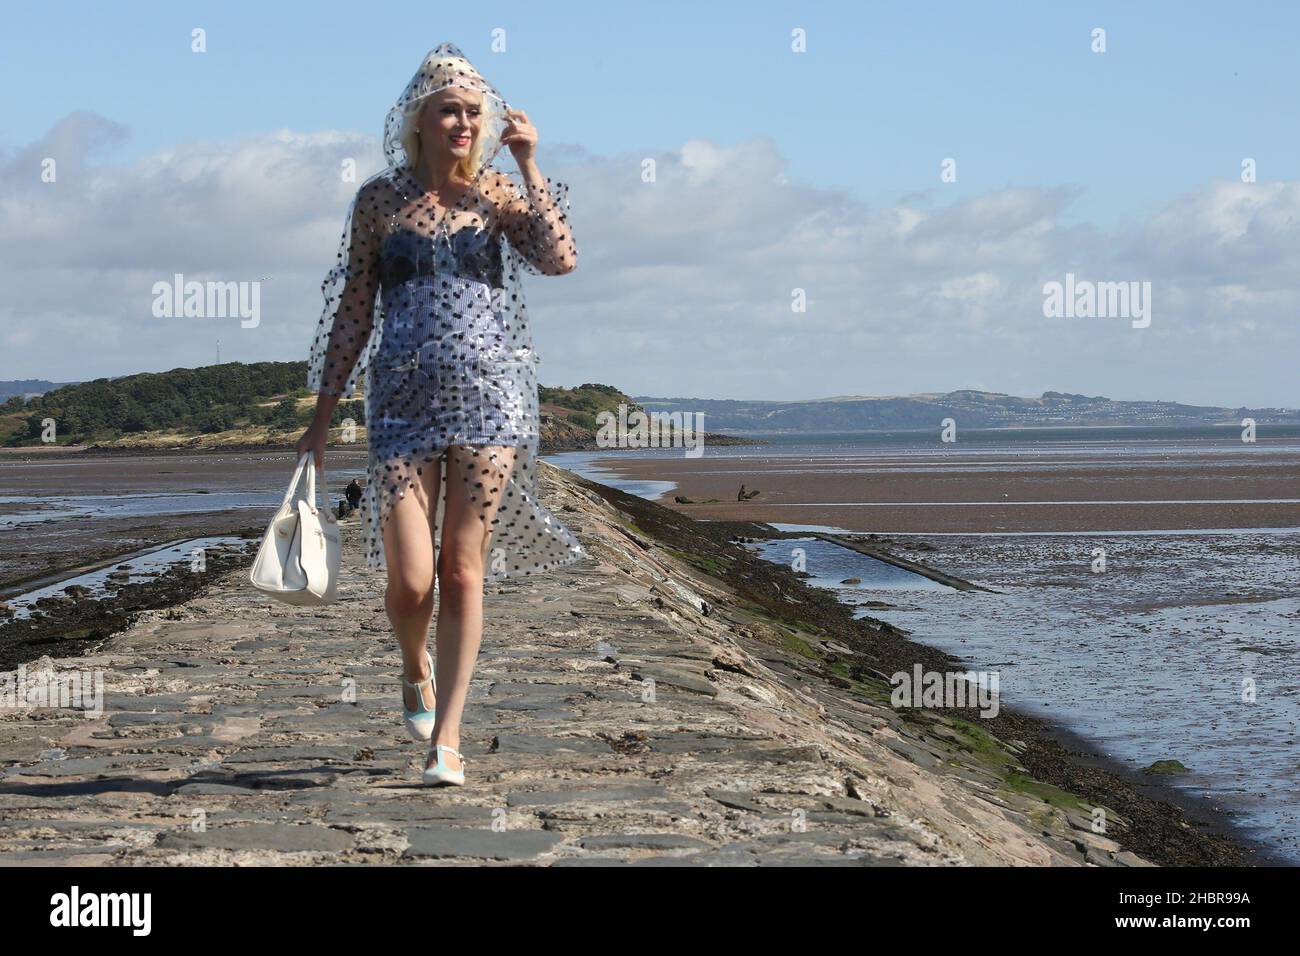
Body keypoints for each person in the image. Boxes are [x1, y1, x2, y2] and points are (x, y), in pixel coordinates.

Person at [297, 43, 586, 786]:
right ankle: (411, 666)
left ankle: (447, 740)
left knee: (463, 572)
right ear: (418, 121)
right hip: (399, 401)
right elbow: (354, 309)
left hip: (491, 398)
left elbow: (559, 260)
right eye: (448, 110)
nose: (463, 122)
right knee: (412, 582)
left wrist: (529, 164)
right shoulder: (379, 202)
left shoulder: (498, 193)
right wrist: (322, 417)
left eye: (473, 112)